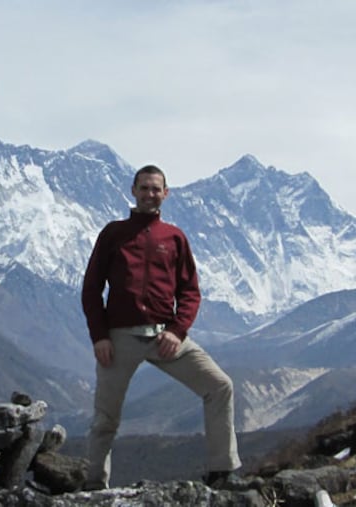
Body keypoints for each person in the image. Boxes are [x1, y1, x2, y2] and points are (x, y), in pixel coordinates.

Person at [80, 164, 242, 490]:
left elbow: (190, 292)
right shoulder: (113, 234)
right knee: (105, 419)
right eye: (144, 188)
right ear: (133, 191)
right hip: (119, 338)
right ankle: (93, 487)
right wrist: (100, 336)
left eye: (156, 189)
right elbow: (91, 289)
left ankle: (221, 472)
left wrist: (177, 331)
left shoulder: (175, 238)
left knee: (219, 386)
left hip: (165, 336)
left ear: (165, 194)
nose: (150, 194)